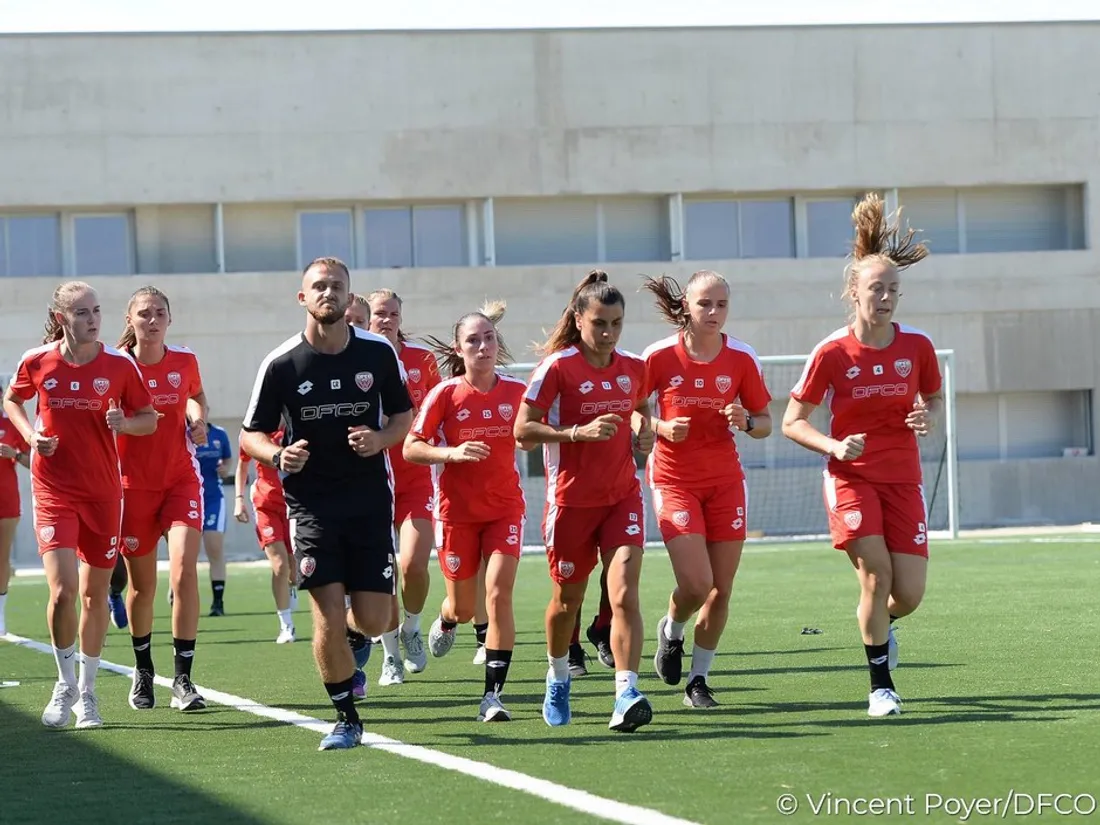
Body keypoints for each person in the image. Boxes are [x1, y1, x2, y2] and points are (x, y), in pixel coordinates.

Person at [241, 257, 414, 750]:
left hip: (368, 504)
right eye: (319, 287)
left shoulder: (378, 353)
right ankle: (345, 718)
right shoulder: (281, 364)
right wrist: (278, 454)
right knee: (326, 617)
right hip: (312, 507)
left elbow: (404, 416)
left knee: (377, 620)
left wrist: (380, 439)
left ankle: (357, 641)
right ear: (303, 298)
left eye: (337, 286)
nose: (328, 293)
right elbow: (249, 433)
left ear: (348, 295)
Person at [782, 193, 941, 718]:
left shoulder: (916, 346)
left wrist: (927, 416)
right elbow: (792, 421)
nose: (887, 297)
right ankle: (880, 687)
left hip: (903, 477)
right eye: (877, 288)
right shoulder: (831, 352)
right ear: (854, 292)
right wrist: (833, 444)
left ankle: (882, 629)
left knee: (909, 594)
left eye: (894, 289)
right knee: (875, 574)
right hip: (851, 477)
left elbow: (933, 397)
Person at [3, 281, 157, 728]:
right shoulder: (38, 361)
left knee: (94, 595)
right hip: (53, 491)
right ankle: (64, 682)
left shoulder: (119, 366)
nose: (93, 320)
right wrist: (31, 437)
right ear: (61, 319)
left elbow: (149, 419)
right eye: (82, 313)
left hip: (104, 493)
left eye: (97, 311)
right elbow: (14, 398)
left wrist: (124, 422)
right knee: (62, 591)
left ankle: (88, 693)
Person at [515, 270, 656, 732]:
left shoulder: (634, 366)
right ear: (579, 320)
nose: (609, 333)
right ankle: (557, 677)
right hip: (570, 505)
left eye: (616, 323)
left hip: (622, 499)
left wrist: (645, 431)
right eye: (600, 323)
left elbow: (641, 404)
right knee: (567, 601)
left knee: (624, 597)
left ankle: (626, 692)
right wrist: (575, 432)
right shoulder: (557, 368)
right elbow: (522, 431)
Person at [641, 270, 773, 708]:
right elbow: (632, 415)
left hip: (725, 483)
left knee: (722, 588)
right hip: (674, 480)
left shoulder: (741, 357)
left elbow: (765, 422)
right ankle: (672, 629)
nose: (713, 313)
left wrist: (747, 422)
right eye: (704, 304)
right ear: (686, 306)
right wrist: (660, 425)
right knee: (697, 584)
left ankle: (698, 682)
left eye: (721, 305)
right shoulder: (658, 356)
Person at [404, 301, 530, 722]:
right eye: (472, 340)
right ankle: (446, 619)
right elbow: (411, 447)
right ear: (458, 350)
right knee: (462, 606)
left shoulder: (517, 392)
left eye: (488, 338)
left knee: (498, 595)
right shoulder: (445, 393)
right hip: (456, 513)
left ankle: (492, 696)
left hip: (505, 511)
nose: (482, 346)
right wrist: (451, 452)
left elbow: (537, 429)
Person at [115, 286, 211, 713]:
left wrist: (198, 419)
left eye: (159, 313)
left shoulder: (184, 360)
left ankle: (184, 679)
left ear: (169, 319)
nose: (152, 320)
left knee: (183, 571)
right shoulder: (117, 366)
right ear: (130, 319)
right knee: (142, 587)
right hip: (131, 487)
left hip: (180, 481)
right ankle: (143, 669)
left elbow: (195, 395)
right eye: (143, 313)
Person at [349, 290, 441, 685]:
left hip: (415, 475)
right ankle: (389, 656)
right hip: (370, 478)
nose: (385, 320)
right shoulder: (357, 358)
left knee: (413, 564)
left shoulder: (422, 359)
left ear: (401, 317)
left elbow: (440, 408)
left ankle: (413, 626)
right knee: (381, 572)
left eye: (392, 313)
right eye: (379, 314)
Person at [234, 428, 297, 643]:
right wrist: (239, 499)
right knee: (279, 565)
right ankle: (286, 625)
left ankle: (291, 587)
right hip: (265, 505)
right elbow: (242, 465)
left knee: (295, 570)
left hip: (294, 504)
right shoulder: (252, 432)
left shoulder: (293, 425)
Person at [195, 421, 233, 615]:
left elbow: (228, 460)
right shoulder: (183, 433)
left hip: (213, 498)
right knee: (185, 550)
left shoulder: (219, 433)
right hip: (189, 497)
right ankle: (176, 590)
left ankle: (218, 602)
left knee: (214, 547)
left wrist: (225, 469)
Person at [0, 409, 30, 636]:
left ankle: (0, 617)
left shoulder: (11, 425)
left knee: (1, 558)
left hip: (6, 501)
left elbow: (35, 461)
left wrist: (15, 454)